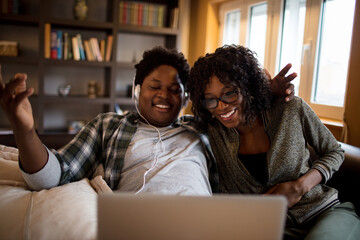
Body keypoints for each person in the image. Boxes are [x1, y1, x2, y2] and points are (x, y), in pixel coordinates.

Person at [0, 46, 294, 196]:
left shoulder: (201, 126)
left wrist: (270, 92)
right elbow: (54, 176)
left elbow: (237, 105)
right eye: (155, 86)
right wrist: (25, 131)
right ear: (137, 89)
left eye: (175, 90)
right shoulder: (108, 125)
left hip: (203, 225)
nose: (164, 96)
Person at [187, 44, 360, 239]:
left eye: (230, 93)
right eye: (211, 99)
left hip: (324, 212)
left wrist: (300, 186)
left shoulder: (290, 109)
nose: (221, 106)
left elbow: (334, 151)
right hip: (272, 227)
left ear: (247, 86)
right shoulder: (213, 130)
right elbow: (171, 123)